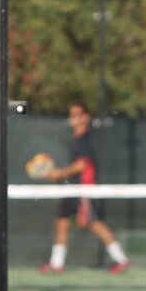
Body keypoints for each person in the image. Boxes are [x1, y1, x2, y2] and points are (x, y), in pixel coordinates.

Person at [38, 102, 129, 275]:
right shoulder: (77, 139)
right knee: (61, 222)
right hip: (72, 189)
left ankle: (121, 260)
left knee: (94, 224)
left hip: (84, 190)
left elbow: (81, 165)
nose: (72, 118)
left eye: (76, 114)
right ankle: (56, 263)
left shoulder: (85, 138)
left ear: (85, 117)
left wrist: (59, 173)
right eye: (71, 114)